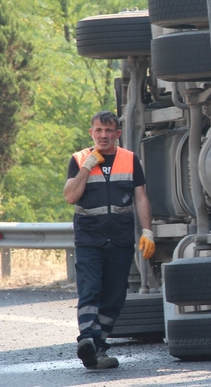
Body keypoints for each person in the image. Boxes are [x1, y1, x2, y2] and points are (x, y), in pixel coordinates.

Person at [63, 111, 155, 369]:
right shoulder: (79, 159)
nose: (103, 135)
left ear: (117, 134)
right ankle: (88, 340)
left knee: (114, 296)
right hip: (90, 240)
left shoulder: (130, 159)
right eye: (98, 130)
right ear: (91, 133)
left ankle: (98, 348)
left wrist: (147, 231)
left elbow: (140, 197)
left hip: (120, 240)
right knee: (90, 290)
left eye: (108, 131)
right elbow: (70, 196)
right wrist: (87, 166)